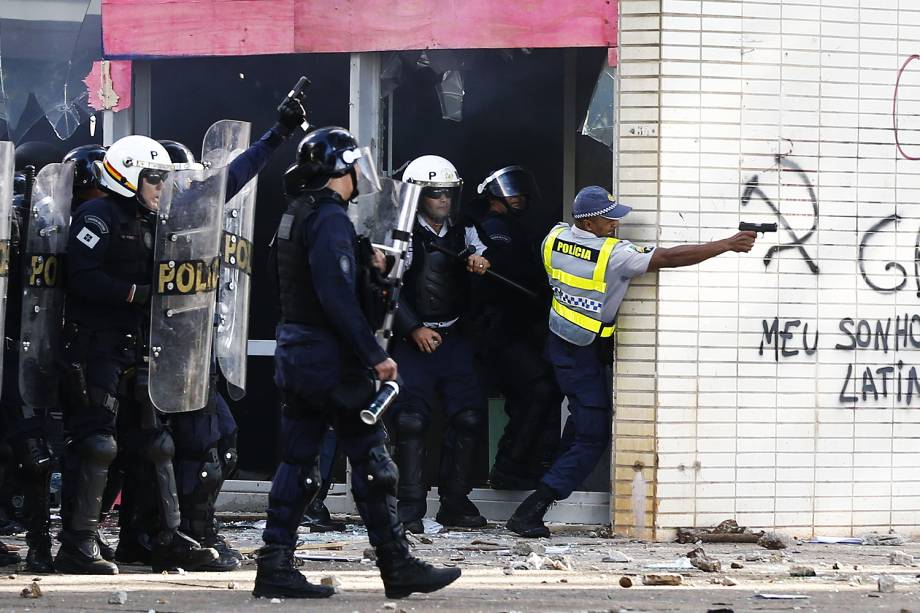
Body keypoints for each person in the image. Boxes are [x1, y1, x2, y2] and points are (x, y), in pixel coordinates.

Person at [256, 127, 460, 600]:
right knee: (372, 460)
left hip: (299, 352)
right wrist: (375, 355)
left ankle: (274, 563)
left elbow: (304, 280)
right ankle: (397, 563)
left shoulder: (297, 214)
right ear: (341, 168)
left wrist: (366, 262)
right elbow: (334, 295)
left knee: (298, 459)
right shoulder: (328, 218)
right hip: (331, 358)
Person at [506, 186, 757, 537]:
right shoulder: (614, 255)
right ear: (590, 222)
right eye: (609, 218)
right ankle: (530, 511)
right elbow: (668, 258)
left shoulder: (555, 237)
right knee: (592, 436)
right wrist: (725, 245)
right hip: (581, 353)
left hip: (561, 343)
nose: (616, 223)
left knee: (581, 426)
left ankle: (549, 482)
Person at [389, 155, 491, 533]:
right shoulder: (401, 232)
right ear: (418, 197)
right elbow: (387, 287)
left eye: (448, 193)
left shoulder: (463, 227)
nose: (443, 201)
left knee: (468, 418)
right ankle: (410, 508)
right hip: (414, 341)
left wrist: (482, 262)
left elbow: (483, 253)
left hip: (454, 338)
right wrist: (413, 327)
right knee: (411, 422)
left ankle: (455, 503)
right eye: (435, 194)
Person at [465, 166, 563, 490]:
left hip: (517, 327)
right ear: (495, 197)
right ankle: (510, 467)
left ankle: (521, 465)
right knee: (538, 389)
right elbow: (500, 274)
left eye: (520, 192)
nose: (518, 197)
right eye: (511, 192)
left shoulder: (515, 227)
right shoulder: (493, 229)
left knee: (529, 396)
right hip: (499, 330)